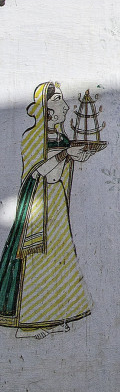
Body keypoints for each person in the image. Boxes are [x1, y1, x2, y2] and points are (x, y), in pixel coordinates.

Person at [0, 82, 95, 333]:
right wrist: (65, 155)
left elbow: (58, 172)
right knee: (36, 260)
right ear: (46, 108)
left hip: (56, 202)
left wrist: (75, 156)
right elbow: (37, 171)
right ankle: (29, 323)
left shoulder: (61, 137)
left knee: (58, 256)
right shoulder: (32, 136)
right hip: (37, 205)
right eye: (58, 100)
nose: (64, 105)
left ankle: (54, 315)